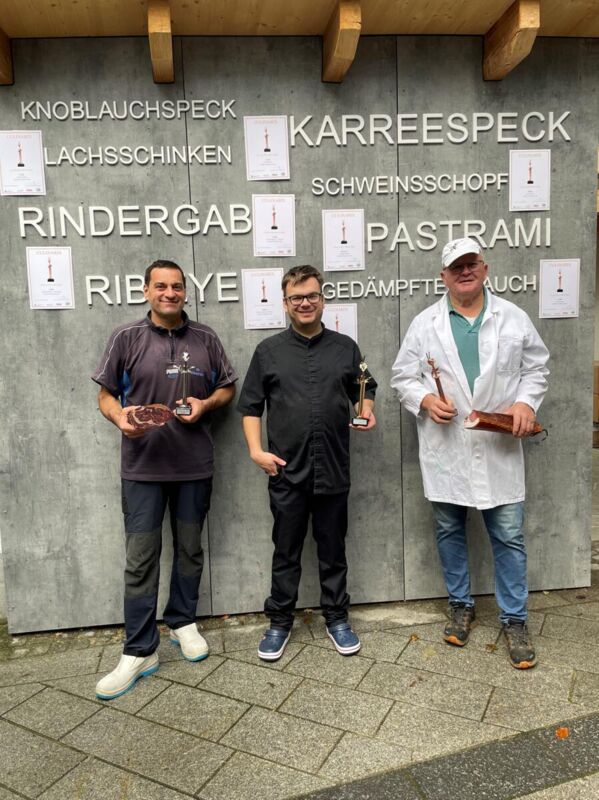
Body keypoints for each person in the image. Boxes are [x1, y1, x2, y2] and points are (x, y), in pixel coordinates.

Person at [390, 238, 549, 669]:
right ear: (443, 276)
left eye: (471, 264)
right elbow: (403, 376)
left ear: (485, 268)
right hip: (448, 448)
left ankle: (514, 619)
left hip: (498, 447)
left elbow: (537, 368)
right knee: (449, 529)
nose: (465, 271)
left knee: (509, 535)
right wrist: (425, 399)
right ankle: (460, 605)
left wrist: (525, 403)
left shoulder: (512, 317)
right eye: (456, 266)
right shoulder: (425, 324)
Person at [92, 259, 236, 698]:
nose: (169, 293)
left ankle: (182, 621)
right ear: (146, 291)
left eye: (176, 286)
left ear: (185, 292)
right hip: (143, 469)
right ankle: (139, 650)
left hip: (194, 466)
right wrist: (120, 416)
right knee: (140, 559)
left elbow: (228, 387)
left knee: (190, 549)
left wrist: (206, 404)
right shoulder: (125, 337)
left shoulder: (206, 338)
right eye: (161, 286)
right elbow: (105, 394)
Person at [237, 265, 377, 661]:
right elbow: (250, 406)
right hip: (286, 470)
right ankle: (280, 622)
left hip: (333, 467)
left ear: (322, 299)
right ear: (285, 303)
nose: (304, 303)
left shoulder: (345, 348)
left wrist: (367, 410)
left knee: (333, 550)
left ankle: (337, 618)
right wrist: (255, 451)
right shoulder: (268, 351)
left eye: (311, 295)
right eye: (296, 297)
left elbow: (365, 389)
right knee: (286, 551)